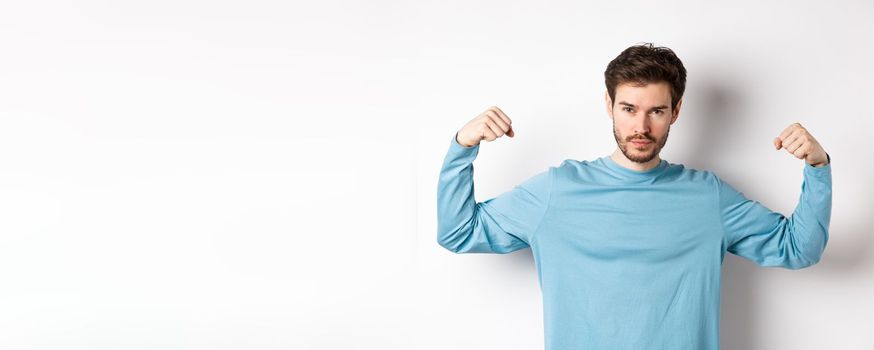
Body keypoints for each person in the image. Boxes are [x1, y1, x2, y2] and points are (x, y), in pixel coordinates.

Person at [435, 43, 832, 350]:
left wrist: (817, 169)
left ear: (676, 111)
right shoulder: (557, 191)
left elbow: (799, 248)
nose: (641, 126)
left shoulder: (707, 197)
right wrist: (461, 147)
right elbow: (458, 232)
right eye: (628, 108)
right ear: (609, 106)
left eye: (656, 111)